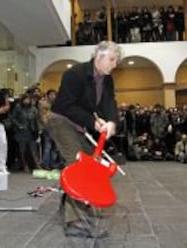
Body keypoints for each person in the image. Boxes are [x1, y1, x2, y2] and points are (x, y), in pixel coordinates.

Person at [47, 41, 121, 238]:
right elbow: (66, 105)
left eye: (116, 60)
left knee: (91, 166)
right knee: (78, 165)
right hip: (61, 121)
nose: (115, 65)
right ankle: (74, 221)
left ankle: (80, 208)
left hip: (79, 125)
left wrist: (112, 122)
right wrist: (93, 122)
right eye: (112, 60)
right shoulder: (75, 74)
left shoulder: (107, 79)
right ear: (99, 57)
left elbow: (108, 102)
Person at [9, 93, 41, 172]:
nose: (27, 101)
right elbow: (12, 118)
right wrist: (19, 125)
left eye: (28, 99)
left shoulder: (34, 109)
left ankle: (37, 165)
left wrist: (39, 129)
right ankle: (24, 165)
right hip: (21, 131)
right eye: (25, 99)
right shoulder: (18, 108)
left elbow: (37, 119)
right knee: (22, 150)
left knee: (34, 149)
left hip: (32, 131)